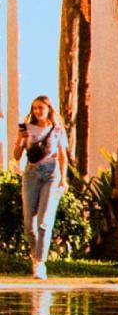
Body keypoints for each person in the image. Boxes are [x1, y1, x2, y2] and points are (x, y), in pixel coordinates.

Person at [15, 97, 64, 277]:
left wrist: (63, 180)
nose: (37, 111)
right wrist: (21, 140)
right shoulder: (26, 129)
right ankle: (35, 255)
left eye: (41, 108)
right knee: (29, 222)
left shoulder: (57, 130)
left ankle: (40, 262)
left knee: (44, 221)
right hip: (31, 174)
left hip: (51, 174)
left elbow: (63, 156)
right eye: (34, 108)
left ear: (48, 109)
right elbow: (17, 155)